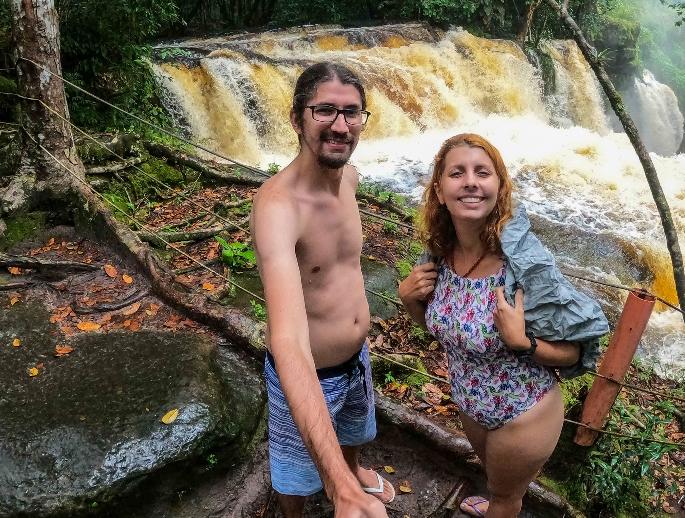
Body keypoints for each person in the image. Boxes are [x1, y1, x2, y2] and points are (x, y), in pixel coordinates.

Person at [399, 133, 608, 518]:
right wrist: (409, 300)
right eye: (457, 173)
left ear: (499, 187)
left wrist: (523, 342)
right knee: (497, 483)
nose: (471, 182)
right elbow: (443, 330)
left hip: (524, 412)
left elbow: (576, 352)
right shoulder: (438, 255)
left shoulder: (525, 265)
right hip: (469, 402)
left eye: (483, 172)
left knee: (505, 499)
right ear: (440, 191)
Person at [250, 62, 395, 518]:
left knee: (354, 431)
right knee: (295, 475)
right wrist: (342, 493)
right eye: (325, 110)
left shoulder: (349, 179)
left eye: (351, 112)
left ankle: (352, 471)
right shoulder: (278, 208)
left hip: (357, 359)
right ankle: (306, 506)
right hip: (309, 373)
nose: (341, 126)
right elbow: (288, 340)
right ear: (297, 119)